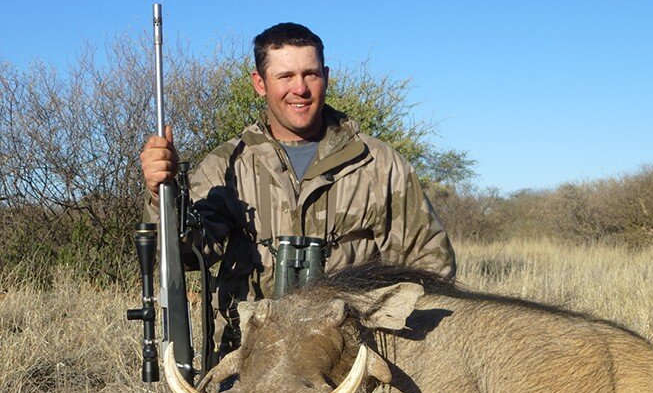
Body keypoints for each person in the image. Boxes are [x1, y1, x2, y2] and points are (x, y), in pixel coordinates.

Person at [140, 22, 456, 355]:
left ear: (327, 77)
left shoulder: (380, 163)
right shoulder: (226, 164)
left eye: (310, 74)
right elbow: (185, 255)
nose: (300, 89)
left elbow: (433, 267)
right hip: (248, 356)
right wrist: (162, 194)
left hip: (346, 358)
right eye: (285, 76)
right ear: (260, 84)